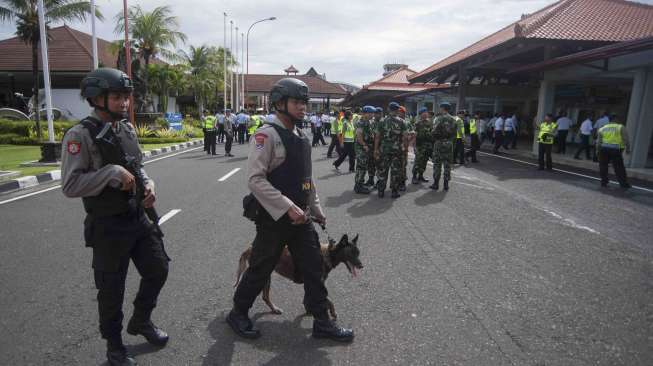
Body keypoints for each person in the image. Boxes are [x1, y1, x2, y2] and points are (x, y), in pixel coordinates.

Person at [228, 78, 353, 342]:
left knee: (313, 268)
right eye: (297, 102)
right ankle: (238, 312)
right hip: (274, 220)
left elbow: (306, 180)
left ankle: (322, 321)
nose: (302, 108)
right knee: (261, 267)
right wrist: (287, 207)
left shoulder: (301, 137)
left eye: (304, 103)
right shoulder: (266, 135)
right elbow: (255, 180)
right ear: (280, 103)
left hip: (302, 219)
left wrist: (315, 208)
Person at [61, 68, 169, 366]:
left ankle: (142, 320)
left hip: (138, 218)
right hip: (108, 226)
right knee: (112, 290)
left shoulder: (127, 129)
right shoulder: (80, 135)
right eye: (118, 97)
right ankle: (114, 345)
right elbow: (70, 185)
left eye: (126, 97)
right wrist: (109, 174)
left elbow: (138, 166)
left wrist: (149, 184)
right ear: (97, 98)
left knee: (158, 269)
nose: (125, 103)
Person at [374, 102, 408, 198]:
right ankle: (394, 191)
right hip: (397, 151)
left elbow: (377, 137)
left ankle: (381, 191)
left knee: (383, 170)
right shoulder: (402, 122)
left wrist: (375, 150)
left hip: (384, 150)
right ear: (397, 110)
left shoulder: (382, 121)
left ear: (389, 109)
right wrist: (405, 150)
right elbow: (405, 138)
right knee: (395, 171)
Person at [596, 117, 631, 188]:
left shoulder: (602, 128)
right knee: (619, 167)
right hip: (615, 149)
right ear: (616, 119)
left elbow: (598, 142)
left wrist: (597, 150)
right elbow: (626, 139)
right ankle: (623, 184)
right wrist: (627, 148)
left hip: (603, 149)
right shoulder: (620, 127)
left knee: (603, 165)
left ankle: (604, 182)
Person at [430, 103, 456, 191]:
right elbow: (454, 133)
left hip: (439, 143)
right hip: (449, 143)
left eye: (440, 108)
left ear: (443, 108)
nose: (439, 109)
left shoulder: (439, 118)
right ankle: (446, 184)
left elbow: (434, 131)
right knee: (447, 164)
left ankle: (436, 183)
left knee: (437, 163)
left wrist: (435, 138)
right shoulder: (453, 119)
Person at [353, 106, 376, 194]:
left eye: (373, 113)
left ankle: (359, 184)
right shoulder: (360, 123)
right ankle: (359, 186)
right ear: (365, 113)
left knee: (364, 166)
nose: (372, 115)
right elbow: (359, 136)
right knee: (361, 167)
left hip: (367, 147)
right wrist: (364, 145)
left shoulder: (369, 122)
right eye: (370, 113)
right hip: (362, 148)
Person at [411, 107, 433, 184]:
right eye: (424, 112)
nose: (426, 114)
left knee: (424, 162)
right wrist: (414, 147)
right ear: (421, 115)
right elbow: (414, 136)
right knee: (417, 162)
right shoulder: (417, 123)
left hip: (427, 146)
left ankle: (421, 176)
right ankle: (414, 177)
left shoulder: (430, 123)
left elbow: (432, 134)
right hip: (419, 146)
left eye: (426, 112)